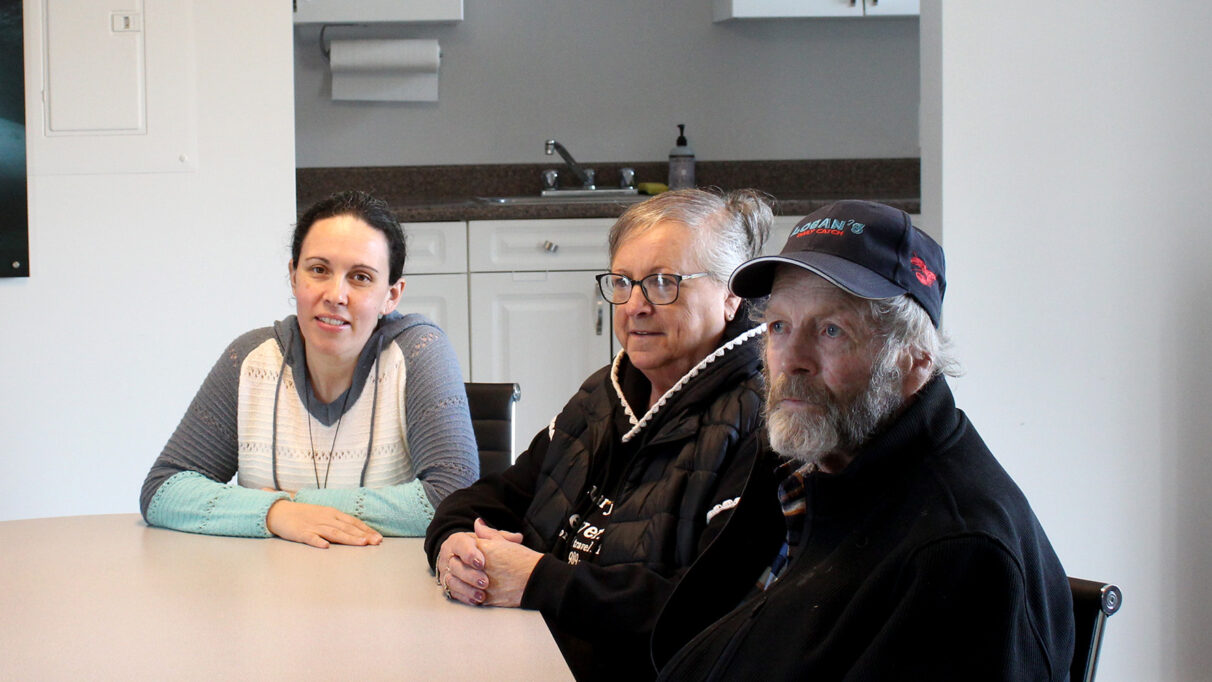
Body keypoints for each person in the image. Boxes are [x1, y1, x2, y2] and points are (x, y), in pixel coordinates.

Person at [651, 200, 1075, 680]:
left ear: (914, 359)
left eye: (832, 330)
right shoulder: (810, 466)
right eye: (779, 327)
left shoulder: (957, 554)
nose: (792, 360)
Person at [424, 189, 772, 681]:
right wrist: (452, 544)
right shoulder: (604, 393)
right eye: (623, 282)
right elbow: (493, 496)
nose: (635, 306)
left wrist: (537, 580)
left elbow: (712, 609)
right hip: (526, 650)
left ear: (732, 295)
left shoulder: (765, 422)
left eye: (662, 282)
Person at [140, 191, 478, 548]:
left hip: (383, 591)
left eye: (361, 277)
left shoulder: (420, 352)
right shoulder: (249, 359)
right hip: (267, 593)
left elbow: (452, 496)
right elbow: (163, 489)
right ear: (293, 275)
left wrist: (297, 503)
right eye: (319, 270)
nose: (335, 294)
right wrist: (275, 513)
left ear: (391, 295)